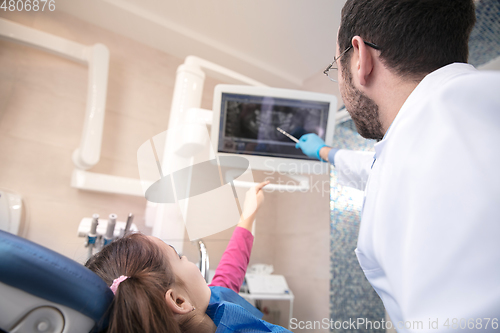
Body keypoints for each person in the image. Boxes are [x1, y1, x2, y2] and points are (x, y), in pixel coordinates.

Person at [296, 0, 500, 331]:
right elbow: (381, 172)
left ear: (361, 57)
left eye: (337, 65)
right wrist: (326, 153)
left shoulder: (438, 147)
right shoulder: (449, 118)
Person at [86, 181, 291, 333]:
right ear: (179, 301)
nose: (188, 261)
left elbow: (227, 278)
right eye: (179, 257)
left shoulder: (205, 309)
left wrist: (249, 213)